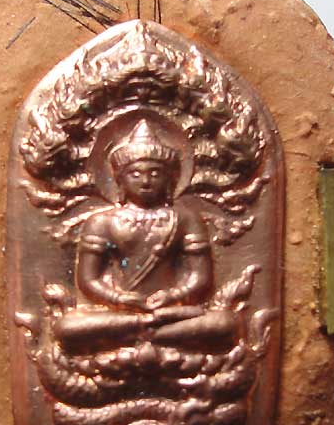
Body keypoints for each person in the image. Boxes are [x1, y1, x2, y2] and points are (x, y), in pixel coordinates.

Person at [53, 118, 236, 354]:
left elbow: (201, 277)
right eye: (135, 174)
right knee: (66, 327)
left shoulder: (185, 219)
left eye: (155, 174)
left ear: (170, 179)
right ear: (120, 179)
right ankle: (151, 330)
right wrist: (118, 299)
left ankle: (139, 331)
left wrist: (173, 296)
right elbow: (88, 280)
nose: (146, 181)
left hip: (170, 311)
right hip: (120, 313)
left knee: (224, 324)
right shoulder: (101, 222)